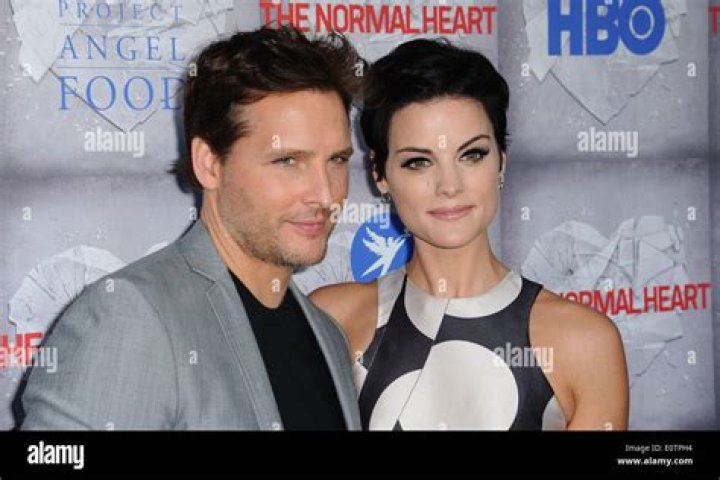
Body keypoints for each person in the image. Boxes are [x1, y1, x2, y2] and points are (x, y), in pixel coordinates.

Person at [18, 26, 363, 430]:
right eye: (288, 161)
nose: (325, 194)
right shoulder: (132, 318)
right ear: (209, 164)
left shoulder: (327, 335)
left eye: (337, 160)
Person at [311, 38, 629, 431]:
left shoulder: (583, 341)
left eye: (472, 154)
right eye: (418, 162)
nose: (449, 186)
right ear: (380, 174)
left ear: (501, 162)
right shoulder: (334, 321)